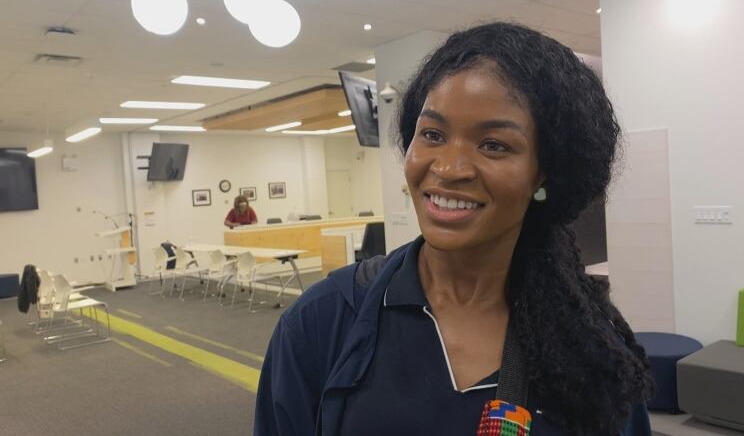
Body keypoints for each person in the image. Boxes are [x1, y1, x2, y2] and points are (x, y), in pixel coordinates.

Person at [254, 22, 654, 436]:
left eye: (493, 144)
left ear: (545, 174)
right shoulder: (325, 321)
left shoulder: (589, 347)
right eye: (432, 134)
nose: (448, 169)